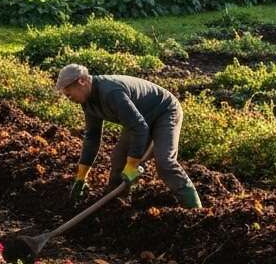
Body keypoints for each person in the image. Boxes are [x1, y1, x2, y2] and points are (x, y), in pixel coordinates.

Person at [54, 63, 202, 208]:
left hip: (164, 111)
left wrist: (132, 165)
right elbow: (92, 137)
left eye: (68, 89)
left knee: (164, 162)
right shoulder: (87, 102)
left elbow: (139, 128)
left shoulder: (111, 93)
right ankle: (115, 204)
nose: (66, 95)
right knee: (119, 158)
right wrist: (81, 176)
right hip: (138, 118)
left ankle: (195, 209)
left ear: (82, 81)